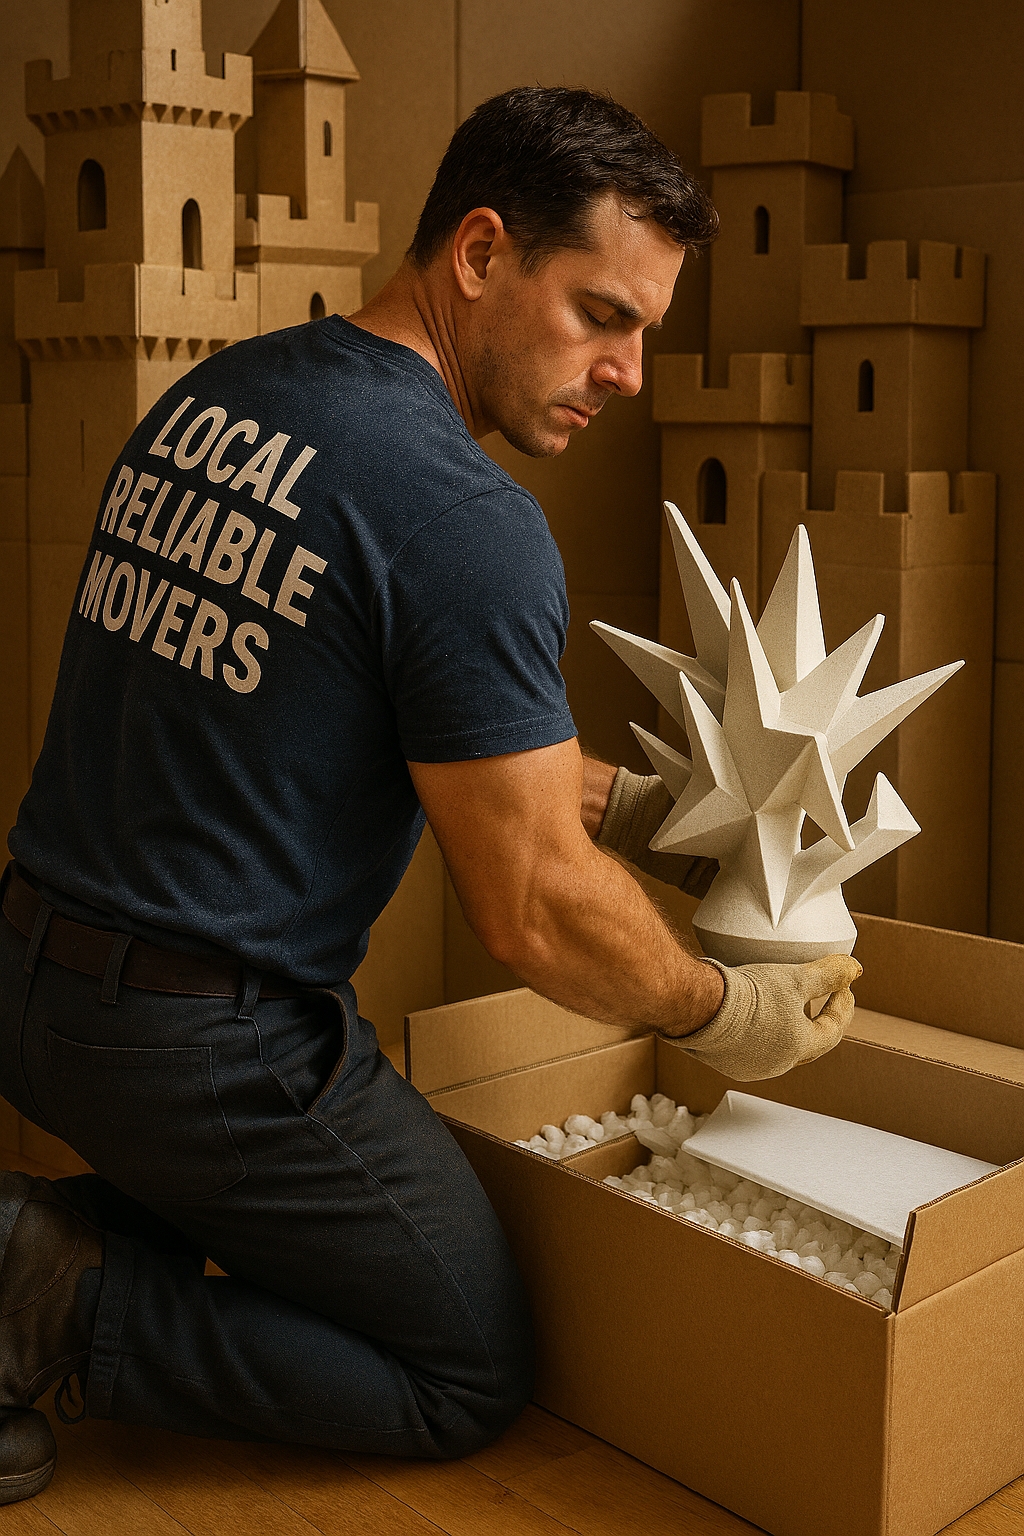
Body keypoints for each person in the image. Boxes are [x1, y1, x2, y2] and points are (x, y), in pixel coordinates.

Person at [0, 86, 859, 1501]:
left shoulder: (224, 398)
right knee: (461, 1368)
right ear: (477, 254)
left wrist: (649, 809)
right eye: (602, 315)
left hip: (38, 985)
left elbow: (349, 736)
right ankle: (51, 1299)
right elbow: (528, 915)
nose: (630, 371)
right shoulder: (464, 521)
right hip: (198, 1044)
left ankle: (55, 1246)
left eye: (647, 329)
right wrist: (725, 1013)